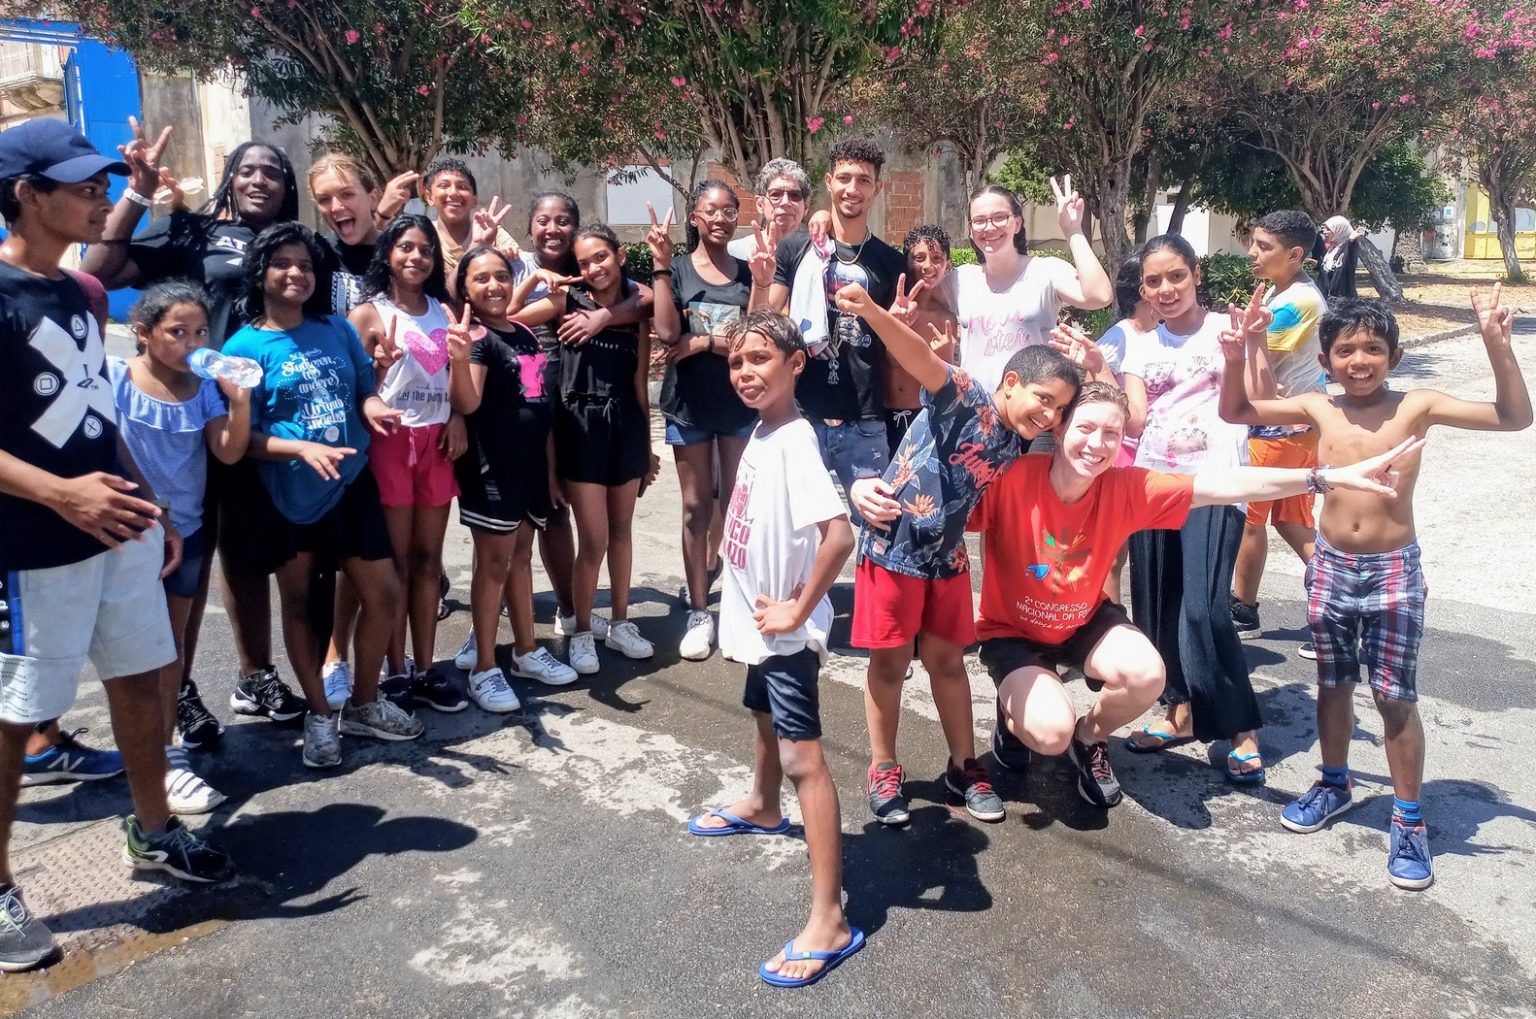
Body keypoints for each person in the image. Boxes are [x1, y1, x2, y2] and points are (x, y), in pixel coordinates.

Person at [0, 120, 236, 970]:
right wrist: (61, 493)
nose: (99, 198)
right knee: (16, 713)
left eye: (103, 186)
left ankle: (154, 826)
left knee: (142, 677)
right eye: (82, 187)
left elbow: (97, 413)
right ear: (28, 196)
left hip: (122, 529)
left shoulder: (77, 292)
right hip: (32, 544)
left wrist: (151, 502)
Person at [972, 379, 1423, 808]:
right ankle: (1014, 717)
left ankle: (1090, 737)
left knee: (1147, 676)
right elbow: (948, 512)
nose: (1097, 443)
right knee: (1048, 734)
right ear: (1059, 429)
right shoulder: (1011, 478)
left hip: (1083, 620)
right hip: (1015, 632)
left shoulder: (1126, 487)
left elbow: (1222, 485)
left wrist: (1324, 477)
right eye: (1085, 428)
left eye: (1111, 433)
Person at [1219, 291, 1531, 890]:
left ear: (1395, 355)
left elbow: (1513, 417)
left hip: (1393, 571)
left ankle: (1408, 819)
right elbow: (1237, 410)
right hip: (1331, 567)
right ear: (1325, 360)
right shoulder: (1317, 406)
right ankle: (1334, 782)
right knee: (1333, 683)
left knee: (1393, 696)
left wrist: (1498, 345)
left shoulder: (1417, 406)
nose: (1359, 361)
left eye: (1373, 349)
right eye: (1345, 350)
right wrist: (1238, 354)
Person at [82, 131, 307, 741]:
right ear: (230, 178)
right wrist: (137, 193)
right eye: (247, 170)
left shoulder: (293, 245)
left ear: (287, 187)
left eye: (273, 172)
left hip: (271, 417)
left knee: (249, 554)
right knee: (192, 560)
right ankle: (176, 691)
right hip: (201, 413)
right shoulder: (196, 232)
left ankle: (255, 675)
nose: (259, 179)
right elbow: (98, 273)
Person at [835, 284, 1080, 826]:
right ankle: (883, 767)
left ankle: (964, 767)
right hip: (893, 549)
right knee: (890, 664)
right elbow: (919, 358)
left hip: (947, 560)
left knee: (948, 663)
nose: (1050, 415)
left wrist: (1096, 366)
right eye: (1044, 399)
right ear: (1011, 383)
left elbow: (1095, 427)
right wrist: (871, 310)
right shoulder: (965, 395)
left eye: (1060, 409)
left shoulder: (1019, 441)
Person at [686, 309, 861, 988]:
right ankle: (762, 803)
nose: (744, 372)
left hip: (784, 630)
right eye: (736, 362)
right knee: (759, 709)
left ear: (796, 364)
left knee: (803, 760)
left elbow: (838, 536)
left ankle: (830, 919)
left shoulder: (795, 440)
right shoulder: (763, 428)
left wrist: (799, 607)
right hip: (761, 623)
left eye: (760, 359)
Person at [221, 222, 424, 768]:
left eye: (306, 265)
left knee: (384, 593)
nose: (296, 273)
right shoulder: (243, 348)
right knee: (303, 607)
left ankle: (363, 702)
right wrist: (299, 449)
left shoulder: (335, 328)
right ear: (260, 272)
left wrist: (376, 406)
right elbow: (243, 439)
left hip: (352, 483)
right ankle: (317, 712)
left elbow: (363, 391)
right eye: (283, 263)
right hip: (290, 495)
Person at [1119, 234, 1265, 781]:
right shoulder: (1140, 346)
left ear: (1196, 274)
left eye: (1176, 276)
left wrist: (1251, 345)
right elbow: (1135, 421)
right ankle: (1178, 711)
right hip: (1152, 483)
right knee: (1156, 605)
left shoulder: (1227, 329)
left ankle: (1241, 728)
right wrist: (1096, 372)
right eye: (1153, 281)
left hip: (1214, 482)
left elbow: (1258, 402)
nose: (1165, 289)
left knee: (1204, 610)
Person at [111, 281, 252, 814]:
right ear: (142, 333)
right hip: (128, 531)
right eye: (177, 332)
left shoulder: (205, 388)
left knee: (169, 648)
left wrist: (240, 402)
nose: (191, 344)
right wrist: (147, 506)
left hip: (186, 533)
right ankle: (132, 751)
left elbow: (228, 451)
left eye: (199, 332)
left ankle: (167, 753)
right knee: (124, 649)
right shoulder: (117, 380)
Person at [347, 214, 468, 714]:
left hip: (437, 443)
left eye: (425, 249)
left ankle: (425, 667)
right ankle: (395, 671)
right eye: (406, 247)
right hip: (391, 443)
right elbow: (354, 391)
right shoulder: (367, 314)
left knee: (427, 562)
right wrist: (379, 370)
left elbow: (457, 376)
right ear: (388, 254)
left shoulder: (446, 311)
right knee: (395, 564)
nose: (416, 257)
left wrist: (457, 415)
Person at [448, 245, 577, 708]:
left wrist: (550, 472)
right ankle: (484, 667)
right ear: (465, 290)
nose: (494, 286)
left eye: (501, 276)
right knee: (493, 565)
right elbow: (467, 403)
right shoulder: (476, 339)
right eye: (481, 278)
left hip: (529, 468)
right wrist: (459, 360)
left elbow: (538, 407)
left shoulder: (522, 332)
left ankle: (525, 650)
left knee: (521, 558)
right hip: (492, 470)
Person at [753, 139, 906, 518]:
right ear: (829, 182)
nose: (853, 189)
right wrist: (760, 282)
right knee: (795, 527)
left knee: (877, 528)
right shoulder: (796, 249)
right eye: (844, 178)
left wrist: (896, 325)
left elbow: (893, 351)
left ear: (878, 187)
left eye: (864, 180)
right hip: (801, 414)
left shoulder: (890, 262)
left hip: (865, 421)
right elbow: (760, 328)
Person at [539, 224, 658, 675]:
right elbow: (509, 314)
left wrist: (646, 449)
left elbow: (640, 384)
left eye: (601, 257)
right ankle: (582, 630)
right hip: (580, 428)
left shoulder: (637, 311)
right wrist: (536, 281)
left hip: (626, 427)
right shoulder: (565, 303)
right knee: (593, 540)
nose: (594, 268)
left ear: (620, 255)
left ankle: (622, 623)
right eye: (585, 262)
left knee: (622, 532)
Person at [648, 184, 756, 662]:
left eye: (729, 211)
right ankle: (698, 610)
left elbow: (755, 338)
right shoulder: (676, 270)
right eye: (710, 210)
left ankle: (735, 602)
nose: (720, 218)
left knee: (735, 507)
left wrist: (704, 343)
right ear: (694, 217)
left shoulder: (749, 273)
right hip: (689, 404)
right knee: (696, 509)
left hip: (737, 405)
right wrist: (659, 264)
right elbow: (667, 332)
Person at [1229, 211, 1329, 658]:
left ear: (1295, 254)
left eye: (1264, 246)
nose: (1253, 253)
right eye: (1253, 243)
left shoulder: (1295, 303)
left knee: (1250, 520)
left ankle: (1242, 610)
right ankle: (1337, 607)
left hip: (1275, 428)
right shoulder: (1285, 290)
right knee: (1291, 521)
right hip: (1297, 426)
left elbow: (1257, 368)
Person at [941, 181, 1112, 395]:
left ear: (1017, 223)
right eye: (979, 221)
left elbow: (1100, 296)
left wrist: (1073, 230)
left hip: (1034, 405)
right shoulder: (960, 279)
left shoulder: (1046, 272)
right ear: (971, 229)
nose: (989, 227)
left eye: (999, 217)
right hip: (976, 407)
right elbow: (921, 306)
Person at [882, 225, 957, 457]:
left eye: (937, 258)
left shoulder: (946, 318)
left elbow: (950, 380)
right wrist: (895, 325)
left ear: (948, 265)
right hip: (882, 417)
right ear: (907, 261)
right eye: (919, 258)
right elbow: (882, 359)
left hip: (924, 418)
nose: (928, 266)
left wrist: (947, 356)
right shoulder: (889, 304)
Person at [420, 157, 515, 281]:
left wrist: (506, 256)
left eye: (462, 187)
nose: (453, 193)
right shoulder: (423, 237)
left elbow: (521, 263)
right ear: (429, 197)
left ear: (474, 200)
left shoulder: (492, 233)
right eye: (444, 186)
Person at [726, 158, 814, 261]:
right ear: (760, 204)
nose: (785, 202)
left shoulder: (820, 255)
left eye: (794, 195)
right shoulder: (732, 254)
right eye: (776, 194)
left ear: (805, 207)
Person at [1318, 215, 1367, 301]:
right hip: (1328, 301)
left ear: (1339, 230)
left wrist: (1351, 240)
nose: (1324, 232)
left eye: (1328, 229)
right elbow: (1329, 272)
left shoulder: (1348, 248)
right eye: (1324, 229)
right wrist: (1317, 265)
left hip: (1343, 302)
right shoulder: (1332, 250)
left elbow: (1351, 254)